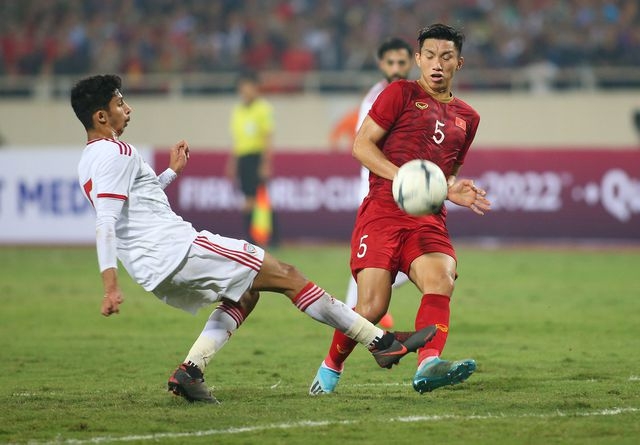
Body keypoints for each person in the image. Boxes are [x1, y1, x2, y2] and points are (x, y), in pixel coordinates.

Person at [71, 74, 436, 404]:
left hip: (151, 267)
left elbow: (137, 201)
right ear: (101, 116)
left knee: (246, 293)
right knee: (289, 276)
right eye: (120, 103)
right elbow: (105, 221)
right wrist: (109, 286)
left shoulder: (89, 159)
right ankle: (381, 342)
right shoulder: (117, 152)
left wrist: (171, 173)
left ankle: (191, 371)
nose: (127, 108)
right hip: (179, 250)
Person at [309, 24, 491, 396]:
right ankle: (331, 366)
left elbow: (447, 172)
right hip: (382, 212)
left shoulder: (468, 118)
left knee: (442, 279)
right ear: (418, 58)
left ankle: (428, 363)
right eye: (429, 56)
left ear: (459, 62)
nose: (437, 64)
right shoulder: (399, 94)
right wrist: (406, 177)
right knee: (372, 308)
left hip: (427, 219)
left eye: (446, 57)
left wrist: (451, 191)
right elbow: (361, 146)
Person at [344, 37, 415, 330]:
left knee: (402, 256)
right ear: (381, 64)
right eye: (391, 63)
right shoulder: (376, 99)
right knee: (385, 256)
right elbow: (365, 146)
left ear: (411, 62)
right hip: (379, 187)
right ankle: (356, 310)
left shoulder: (411, 93)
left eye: (401, 62)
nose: (396, 68)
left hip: (402, 185)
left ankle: (359, 308)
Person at [226, 70, 274, 245]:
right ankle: (252, 238)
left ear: (255, 88)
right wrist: (232, 163)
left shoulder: (263, 108)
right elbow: (236, 140)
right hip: (243, 158)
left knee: (260, 199)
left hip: (257, 156)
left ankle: (269, 237)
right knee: (248, 200)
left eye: (248, 87)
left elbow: (267, 136)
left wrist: (266, 162)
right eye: (242, 88)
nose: (245, 91)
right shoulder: (237, 111)